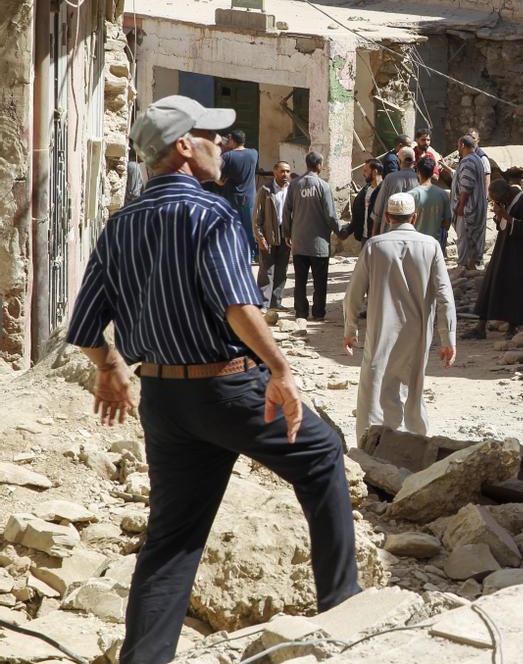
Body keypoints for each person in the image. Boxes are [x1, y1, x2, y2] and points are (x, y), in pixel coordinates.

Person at [64, 95, 359, 663]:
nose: (222, 144)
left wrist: (109, 368)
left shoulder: (119, 225)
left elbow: (82, 328)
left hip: (165, 401)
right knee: (322, 456)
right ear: (183, 146)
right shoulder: (212, 213)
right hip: (227, 389)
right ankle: (345, 613)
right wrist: (281, 370)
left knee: (171, 542)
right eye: (212, 135)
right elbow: (238, 307)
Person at [343, 191, 456, 445]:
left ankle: (370, 444)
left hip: (381, 328)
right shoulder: (431, 246)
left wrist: (350, 329)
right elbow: (445, 295)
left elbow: (353, 294)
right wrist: (448, 337)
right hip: (418, 334)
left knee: (375, 386)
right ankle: (415, 442)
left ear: (386, 217)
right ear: (414, 217)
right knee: (413, 387)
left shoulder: (374, 246)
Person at [470, 179, 523, 340]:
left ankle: (512, 326)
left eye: (498, 200)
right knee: (492, 282)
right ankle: (481, 326)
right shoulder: (504, 200)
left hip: (519, 252)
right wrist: (499, 216)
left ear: (506, 194)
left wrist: (505, 216)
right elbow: (502, 225)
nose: (498, 203)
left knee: (515, 286)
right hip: (503, 248)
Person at [282, 151, 341, 321]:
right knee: (319, 281)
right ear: (318, 165)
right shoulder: (323, 186)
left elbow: (287, 211)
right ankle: (318, 312)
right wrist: (339, 232)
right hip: (319, 243)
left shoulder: (294, 184)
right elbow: (330, 215)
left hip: (299, 241)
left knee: (300, 281)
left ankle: (301, 312)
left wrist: (287, 232)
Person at [253, 160, 292, 310]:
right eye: (282, 171)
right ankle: (262, 303)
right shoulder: (265, 189)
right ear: (275, 172)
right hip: (269, 235)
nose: (285, 175)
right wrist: (260, 237)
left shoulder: (291, 189)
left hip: (285, 236)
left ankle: (276, 302)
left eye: (287, 171)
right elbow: (257, 216)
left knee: (282, 270)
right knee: (266, 270)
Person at [216, 130, 259, 261]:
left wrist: (218, 181)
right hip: (249, 196)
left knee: (233, 226)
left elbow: (218, 177)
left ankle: (236, 253)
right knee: (249, 227)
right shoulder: (254, 153)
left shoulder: (227, 156)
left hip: (232, 196)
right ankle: (252, 254)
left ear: (233, 141)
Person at [452, 134, 488, 270]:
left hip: (468, 209)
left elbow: (466, 186)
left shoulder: (468, 161)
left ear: (462, 145)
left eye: (458, 146)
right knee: (472, 239)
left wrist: (461, 206)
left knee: (466, 238)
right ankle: (472, 266)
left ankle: (466, 267)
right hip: (475, 207)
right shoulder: (477, 159)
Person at [371, 147, 418, 237]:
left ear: (398, 161)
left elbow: (378, 208)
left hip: (389, 231)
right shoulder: (419, 179)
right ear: (414, 162)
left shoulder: (390, 178)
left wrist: (374, 235)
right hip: (412, 232)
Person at [409, 156, 452, 248]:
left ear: (418, 172)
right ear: (433, 172)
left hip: (415, 244)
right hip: (435, 245)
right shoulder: (443, 194)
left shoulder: (411, 195)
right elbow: (447, 224)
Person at [346, 158, 384, 243]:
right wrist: (348, 230)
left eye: (366, 171)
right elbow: (358, 214)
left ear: (375, 172)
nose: (363, 174)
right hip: (364, 237)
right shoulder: (365, 190)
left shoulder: (384, 191)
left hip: (378, 239)